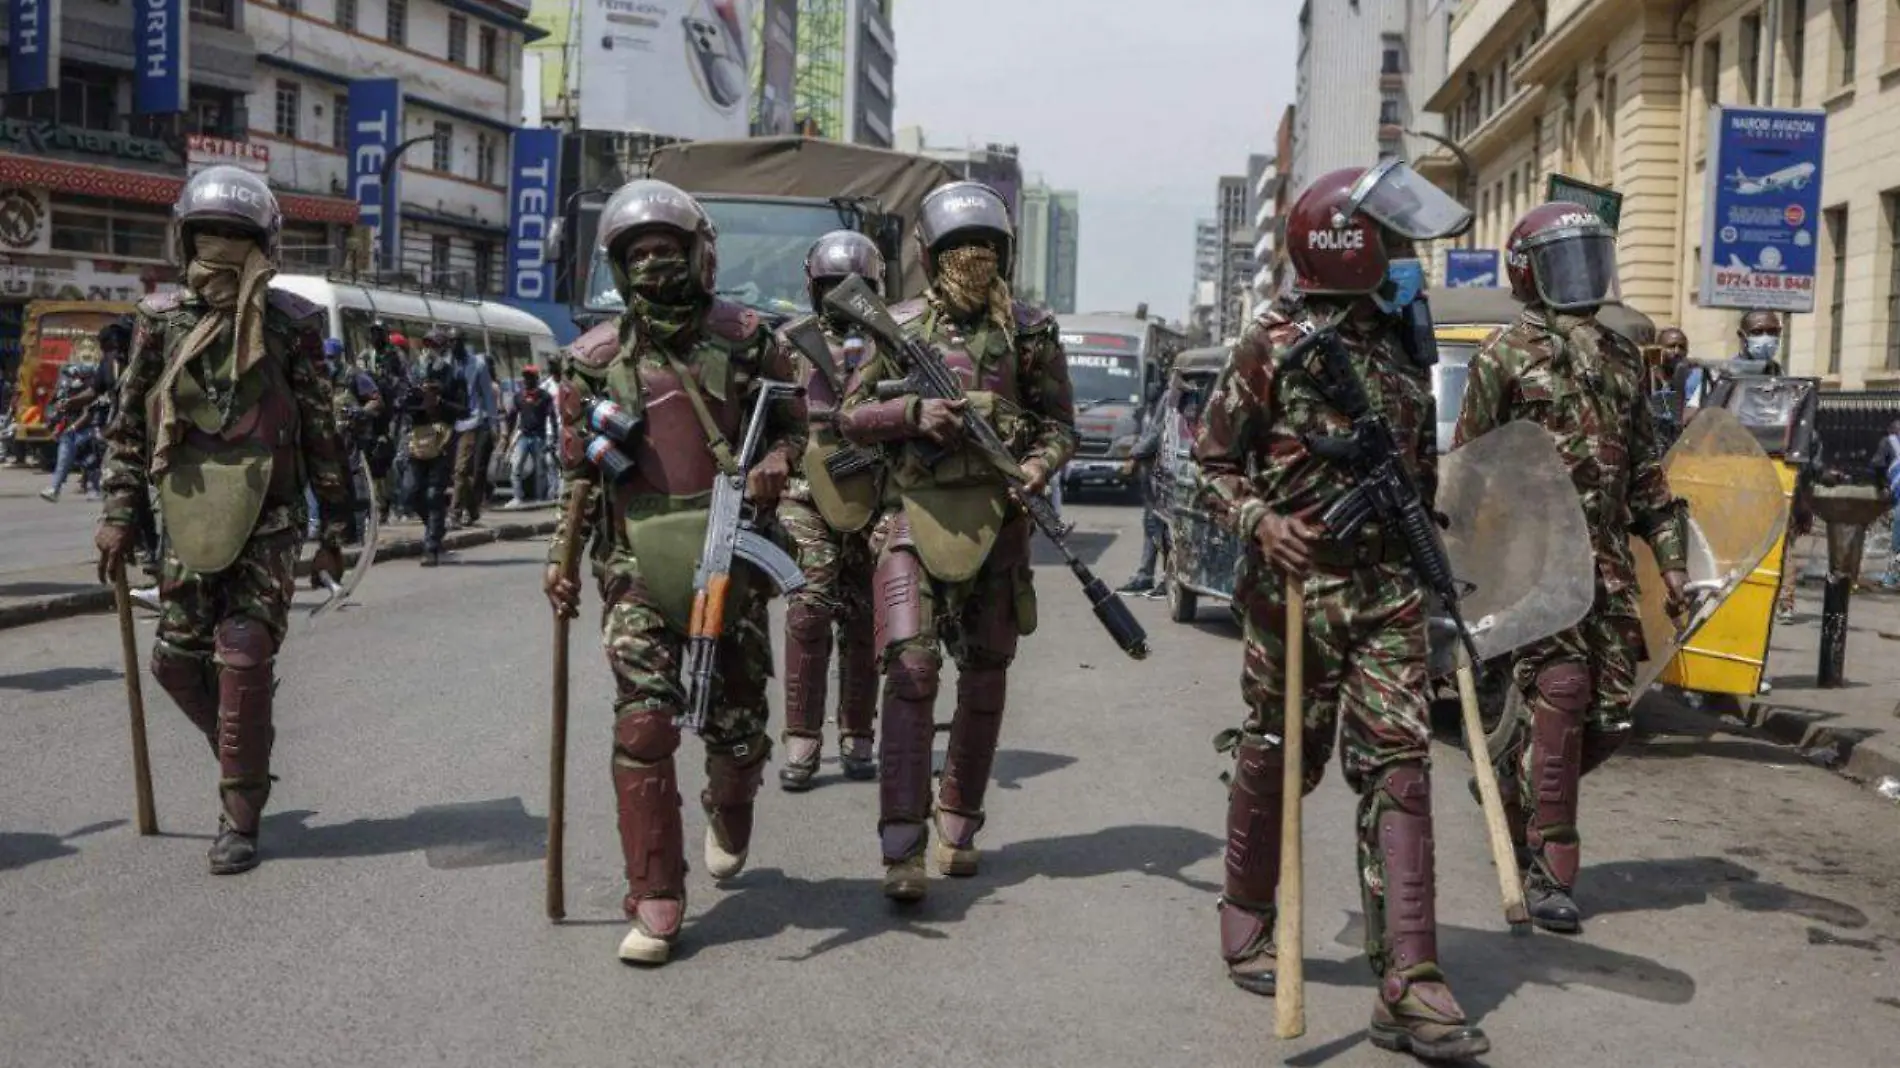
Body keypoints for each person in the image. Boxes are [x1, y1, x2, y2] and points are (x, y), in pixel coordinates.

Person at [1193, 161, 1489, 1060]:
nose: (1408, 258)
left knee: (1399, 762)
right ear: (1348, 245)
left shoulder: (1404, 340)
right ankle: (1247, 910)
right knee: (1282, 753)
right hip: (1295, 593)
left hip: (1388, 590)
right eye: (1394, 242)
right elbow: (1209, 463)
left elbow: (1419, 466)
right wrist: (1262, 520)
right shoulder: (1271, 341)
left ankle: (1410, 980)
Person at [541, 179, 805, 965]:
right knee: (644, 722)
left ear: (700, 253)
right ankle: (655, 894)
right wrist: (560, 559)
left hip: (730, 556)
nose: (655, 265)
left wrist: (776, 464)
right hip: (634, 556)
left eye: (667, 250)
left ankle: (731, 803)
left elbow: (801, 429)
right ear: (619, 269)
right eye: (638, 254)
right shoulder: (591, 361)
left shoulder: (752, 340)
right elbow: (578, 476)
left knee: (737, 727)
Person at [94, 165, 351, 875]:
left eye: (236, 240)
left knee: (243, 650)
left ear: (264, 245)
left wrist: (334, 533)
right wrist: (118, 515)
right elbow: (126, 431)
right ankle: (249, 751)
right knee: (176, 661)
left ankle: (238, 816)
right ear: (184, 241)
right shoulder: (159, 323)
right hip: (181, 513)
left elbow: (322, 430)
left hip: (269, 516)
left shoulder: (292, 326)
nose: (221, 252)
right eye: (208, 238)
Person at [1455, 202, 1691, 937]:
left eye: (1592, 255)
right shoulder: (1503, 355)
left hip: (1611, 570)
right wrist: (1472, 563)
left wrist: (1675, 568)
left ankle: (1512, 786)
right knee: (1559, 694)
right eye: (1565, 258)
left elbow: (1647, 474)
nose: (1584, 273)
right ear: (1528, 271)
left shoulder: (1622, 358)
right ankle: (1551, 872)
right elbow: (1471, 469)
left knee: (1612, 717)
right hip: (1536, 566)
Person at [837, 180, 1076, 901]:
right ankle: (901, 846)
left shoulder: (1028, 333)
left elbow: (1060, 425)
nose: (971, 263)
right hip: (912, 514)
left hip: (997, 522)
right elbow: (850, 417)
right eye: (956, 252)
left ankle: (959, 819)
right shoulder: (897, 325)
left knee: (985, 677)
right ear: (931, 256)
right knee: (909, 671)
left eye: (985, 252)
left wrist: (1037, 465)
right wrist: (913, 411)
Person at [774, 230, 886, 790]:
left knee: (866, 616)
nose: (845, 295)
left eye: (859, 287)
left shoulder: (894, 344)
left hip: (872, 492)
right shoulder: (789, 345)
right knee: (810, 604)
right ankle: (802, 739)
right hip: (803, 492)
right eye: (833, 285)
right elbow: (767, 422)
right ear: (812, 288)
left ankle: (859, 734)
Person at [402, 329, 470, 566]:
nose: (430, 350)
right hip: (418, 438)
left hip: (443, 438)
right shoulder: (414, 373)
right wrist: (417, 401)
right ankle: (436, 527)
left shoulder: (454, 375)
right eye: (427, 344)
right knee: (410, 492)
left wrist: (440, 402)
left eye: (435, 345)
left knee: (433, 493)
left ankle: (431, 546)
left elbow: (464, 410)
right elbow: (403, 405)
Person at [1117, 380, 1172, 597]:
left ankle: (1166, 578)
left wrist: (1134, 453)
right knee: (1151, 523)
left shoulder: (1171, 397)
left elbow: (1156, 435)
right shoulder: (1161, 400)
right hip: (1151, 472)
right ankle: (1146, 575)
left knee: (1161, 526)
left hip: (1162, 473)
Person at [450, 332, 497, 527]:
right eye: (451, 342)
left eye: (457, 341)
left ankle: (454, 513)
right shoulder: (447, 364)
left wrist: (492, 424)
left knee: (461, 470)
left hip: (472, 421)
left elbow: (487, 395)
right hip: (452, 423)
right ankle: (473, 510)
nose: (454, 345)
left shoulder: (478, 364)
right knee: (456, 472)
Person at [504, 365, 555, 507]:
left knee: (540, 470)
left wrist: (554, 436)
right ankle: (517, 497)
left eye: (530, 377)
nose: (527, 380)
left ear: (536, 379)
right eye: (525, 377)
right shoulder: (519, 396)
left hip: (539, 437)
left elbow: (552, 416)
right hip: (523, 437)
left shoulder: (544, 396)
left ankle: (541, 498)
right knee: (516, 467)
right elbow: (512, 416)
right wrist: (508, 434)